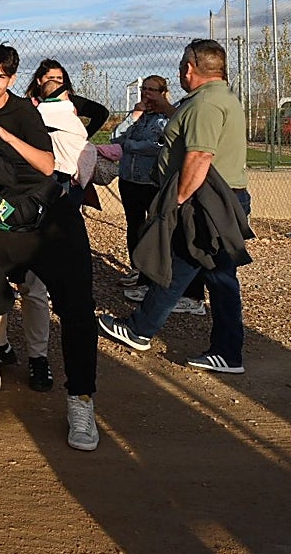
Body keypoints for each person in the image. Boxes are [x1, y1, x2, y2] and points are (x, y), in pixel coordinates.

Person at [0, 43, 100, 451]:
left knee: (76, 307)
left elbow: (48, 166)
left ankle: (81, 399)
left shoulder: (25, 112)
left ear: (13, 78)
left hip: (47, 216)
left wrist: (1, 135)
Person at [99, 39, 251, 375]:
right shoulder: (217, 98)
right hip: (219, 201)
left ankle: (142, 330)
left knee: (186, 267)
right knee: (210, 273)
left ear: (188, 68)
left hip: (205, 203)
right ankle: (222, 349)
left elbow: (199, 156)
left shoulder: (205, 105)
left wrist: (178, 201)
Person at [113, 76, 205, 313]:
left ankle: (157, 279)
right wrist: (133, 116)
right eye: (144, 89)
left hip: (152, 181)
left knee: (156, 230)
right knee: (134, 225)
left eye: (152, 90)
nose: (146, 94)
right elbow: (116, 137)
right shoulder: (139, 115)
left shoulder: (169, 117)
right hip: (129, 179)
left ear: (163, 92)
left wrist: (131, 146)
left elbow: (161, 145)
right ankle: (139, 271)